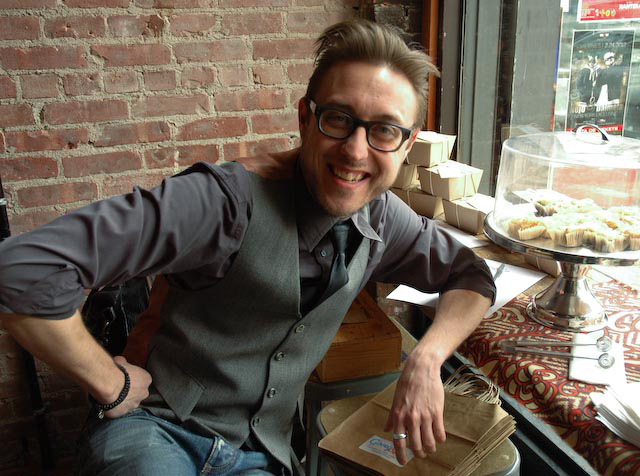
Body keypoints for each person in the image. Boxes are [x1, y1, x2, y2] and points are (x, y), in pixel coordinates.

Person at [0, 18, 495, 476]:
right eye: (338, 119)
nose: (355, 150)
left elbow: (472, 277)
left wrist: (426, 360)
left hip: (260, 454)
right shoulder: (222, 202)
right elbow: (19, 271)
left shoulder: (384, 217)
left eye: (384, 130)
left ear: (407, 145)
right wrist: (111, 383)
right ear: (305, 118)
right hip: (156, 430)